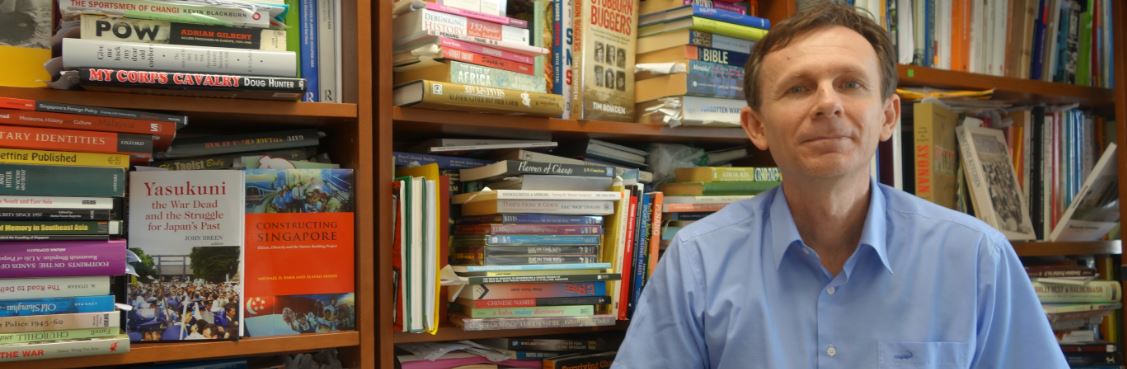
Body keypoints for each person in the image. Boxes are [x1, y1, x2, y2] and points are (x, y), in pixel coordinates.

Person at [612, 3, 1067, 368]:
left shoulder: (976, 260)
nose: (828, 104)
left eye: (850, 84)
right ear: (756, 127)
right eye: (797, 89)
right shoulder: (697, 263)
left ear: (888, 116)